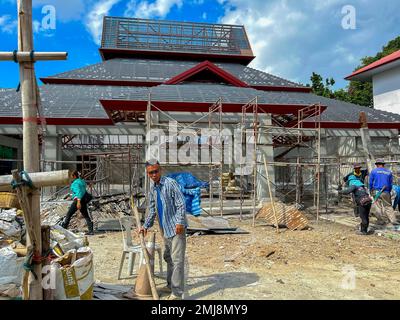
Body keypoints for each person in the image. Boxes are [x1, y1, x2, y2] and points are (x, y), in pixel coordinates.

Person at [140, 159, 187, 300]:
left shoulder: (170, 184)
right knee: (169, 258)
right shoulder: (154, 188)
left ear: (160, 170)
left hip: (177, 228)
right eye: (150, 173)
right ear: (148, 174)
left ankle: (177, 293)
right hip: (165, 228)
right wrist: (145, 226)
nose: (153, 175)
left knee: (177, 260)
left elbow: (181, 203)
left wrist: (180, 222)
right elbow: (153, 209)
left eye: (155, 171)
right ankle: (170, 285)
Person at [61, 170, 94, 235]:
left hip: (78, 200)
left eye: (71, 176)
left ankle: (63, 229)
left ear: (74, 176)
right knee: (85, 215)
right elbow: (84, 188)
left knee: (69, 214)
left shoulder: (75, 183)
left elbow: (78, 192)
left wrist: (78, 202)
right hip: (83, 200)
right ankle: (91, 231)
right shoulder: (82, 181)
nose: (71, 177)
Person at [369, 159, 399, 225]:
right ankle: (393, 220)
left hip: (376, 192)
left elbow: (370, 182)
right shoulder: (389, 172)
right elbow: (390, 183)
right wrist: (388, 191)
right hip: (386, 191)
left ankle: (380, 221)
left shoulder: (373, 171)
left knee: (378, 206)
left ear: (377, 164)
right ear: (383, 164)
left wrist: (370, 190)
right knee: (388, 206)